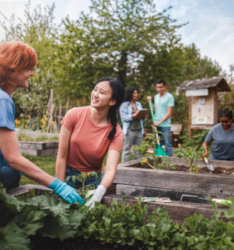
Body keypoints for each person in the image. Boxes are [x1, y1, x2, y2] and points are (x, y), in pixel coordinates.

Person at [0, 41, 84, 205]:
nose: (32, 74)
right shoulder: (2, 100)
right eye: (29, 68)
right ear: (13, 69)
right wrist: (57, 185)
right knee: (11, 172)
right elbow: (14, 159)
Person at [55, 77, 124, 209]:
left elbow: (110, 169)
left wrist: (100, 191)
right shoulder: (74, 114)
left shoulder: (116, 132)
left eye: (102, 92)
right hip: (67, 175)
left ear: (112, 101)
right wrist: (60, 186)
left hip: (92, 182)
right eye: (95, 89)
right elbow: (61, 156)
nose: (95, 94)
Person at [147, 79, 174, 156]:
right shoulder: (156, 97)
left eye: (161, 87)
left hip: (165, 125)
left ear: (164, 87)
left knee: (167, 144)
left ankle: (170, 163)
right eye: (157, 87)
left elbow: (169, 113)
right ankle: (159, 161)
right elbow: (155, 110)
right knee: (157, 144)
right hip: (156, 124)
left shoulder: (169, 97)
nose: (159, 89)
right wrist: (149, 102)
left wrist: (159, 122)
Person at [119, 87, 146, 162]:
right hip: (129, 131)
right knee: (126, 150)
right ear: (130, 94)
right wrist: (133, 115)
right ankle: (124, 168)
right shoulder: (124, 105)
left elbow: (142, 118)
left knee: (138, 151)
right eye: (135, 93)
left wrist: (144, 117)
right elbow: (123, 118)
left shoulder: (138, 104)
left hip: (139, 131)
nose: (137, 94)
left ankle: (137, 168)